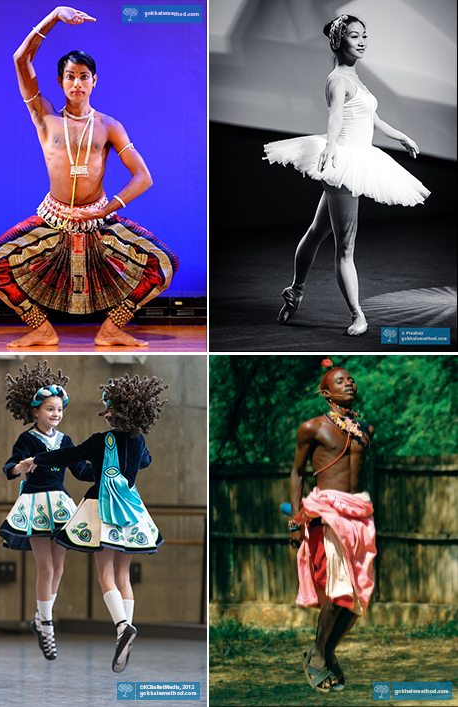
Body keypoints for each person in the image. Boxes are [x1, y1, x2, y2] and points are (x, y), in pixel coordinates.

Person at [0, 6, 178, 348]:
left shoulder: (108, 125)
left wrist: (102, 211)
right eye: (70, 76)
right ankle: (41, 328)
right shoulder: (46, 117)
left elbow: (143, 177)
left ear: (94, 81)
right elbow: (20, 59)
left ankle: (112, 328)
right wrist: (54, 17)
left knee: (164, 264)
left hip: (98, 219)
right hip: (53, 218)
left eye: (84, 76)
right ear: (60, 81)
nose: (77, 82)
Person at [263, 14, 430, 336]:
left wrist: (401, 136)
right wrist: (330, 147)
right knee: (345, 247)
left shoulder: (357, 79)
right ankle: (357, 315)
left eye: (365, 35)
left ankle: (295, 290)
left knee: (315, 232)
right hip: (344, 161)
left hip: (359, 157)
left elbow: (373, 119)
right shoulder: (337, 80)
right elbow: (336, 116)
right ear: (339, 41)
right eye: (355, 36)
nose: (363, 41)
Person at [26, 374, 167, 672]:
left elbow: (69, 455)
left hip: (101, 509)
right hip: (132, 513)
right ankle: (125, 631)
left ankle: (121, 626)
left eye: (106, 410)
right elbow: (146, 462)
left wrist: (39, 458)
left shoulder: (99, 441)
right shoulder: (138, 440)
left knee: (105, 574)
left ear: (112, 412)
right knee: (124, 576)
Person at [288, 358, 376, 693]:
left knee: (358, 600)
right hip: (327, 518)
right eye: (340, 380)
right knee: (338, 594)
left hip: (358, 520)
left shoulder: (366, 429)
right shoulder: (312, 428)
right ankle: (317, 658)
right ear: (326, 392)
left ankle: (324, 651)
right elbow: (297, 472)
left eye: (351, 378)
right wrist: (296, 520)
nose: (349, 382)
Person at [0, 360, 94, 660]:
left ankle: (40, 619)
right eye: (50, 409)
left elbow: (79, 469)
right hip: (36, 503)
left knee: (60, 566)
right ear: (36, 411)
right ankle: (47, 626)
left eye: (60, 409)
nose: (56, 414)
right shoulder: (26, 439)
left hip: (61, 505)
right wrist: (22, 465)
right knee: (47, 567)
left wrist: (107, 472)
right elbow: (9, 469)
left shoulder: (65, 440)